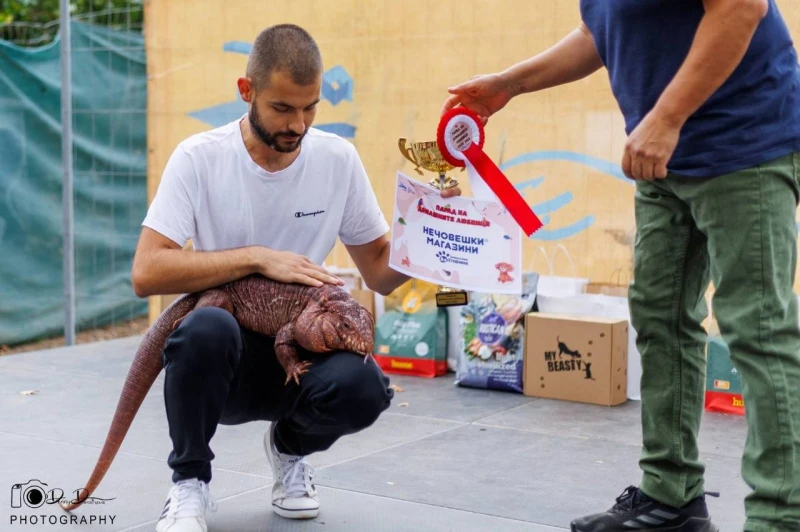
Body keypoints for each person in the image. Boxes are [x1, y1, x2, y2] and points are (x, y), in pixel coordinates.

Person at [443, 1, 800, 531]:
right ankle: (670, 496)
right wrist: (510, 84)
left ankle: (782, 517)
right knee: (659, 318)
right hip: (662, 159)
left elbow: (740, 6)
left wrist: (666, 117)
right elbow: (600, 28)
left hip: (745, 146)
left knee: (758, 328)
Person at [132, 24, 455, 532]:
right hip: (226, 360)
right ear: (247, 91)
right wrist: (257, 258)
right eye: (283, 108)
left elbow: (380, 273)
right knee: (203, 328)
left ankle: (290, 449)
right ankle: (189, 482)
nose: (299, 125)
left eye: (310, 108)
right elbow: (147, 271)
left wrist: (433, 232)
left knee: (365, 387)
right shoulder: (199, 157)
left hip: (304, 349)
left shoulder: (336, 159)